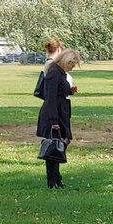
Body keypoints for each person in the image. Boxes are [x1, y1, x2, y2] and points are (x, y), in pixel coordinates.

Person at [37, 48, 79, 189]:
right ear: (67, 61)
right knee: (53, 147)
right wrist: (54, 122)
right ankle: (52, 180)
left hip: (60, 113)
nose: (72, 68)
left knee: (59, 145)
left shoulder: (59, 72)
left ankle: (57, 178)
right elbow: (50, 98)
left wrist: (69, 90)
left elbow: (59, 92)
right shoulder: (54, 73)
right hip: (54, 115)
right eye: (72, 65)